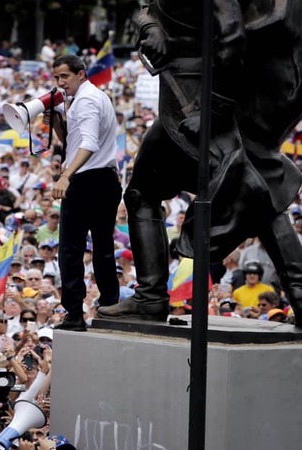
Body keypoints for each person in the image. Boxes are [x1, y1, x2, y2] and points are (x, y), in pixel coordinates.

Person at [98, 0, 302, 325]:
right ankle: (150, 298)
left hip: (205, 95)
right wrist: (151, 28)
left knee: (250, 188)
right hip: (182, 93)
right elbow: (147, 7)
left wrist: (212, 109)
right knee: (143, 194)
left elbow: (232, 38)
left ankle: (151, 298)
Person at [49, 54, 122, 331]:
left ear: (81, 74)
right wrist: (57, 123)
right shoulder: (90, 98)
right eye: (57, 77)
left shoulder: (87, 100)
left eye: (64, 76)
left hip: (86, 181)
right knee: (103, 248)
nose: (60, 83)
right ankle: (109, 307)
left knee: (70, 251)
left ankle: (75, 314)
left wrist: (65, 175)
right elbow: (74, 143)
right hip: (104, 180)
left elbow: (88, 144)